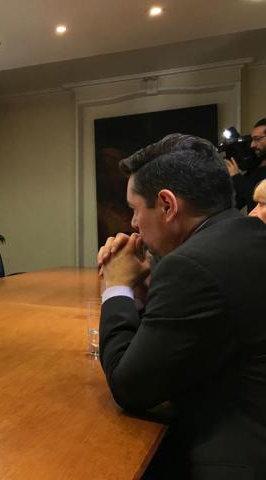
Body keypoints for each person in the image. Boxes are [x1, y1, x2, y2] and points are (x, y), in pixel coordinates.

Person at [97, 134, 266, 478]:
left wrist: (116, 287)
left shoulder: (191, 266)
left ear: (167, 205)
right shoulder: (244, 237)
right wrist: (142, 295)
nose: (132, 224)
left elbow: (130, 388)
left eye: (134, 209)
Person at [226, 118, 266, 211]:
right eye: (252, 140)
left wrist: (236, 177)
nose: (252, 145)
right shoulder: (254, 168)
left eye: (257, 139)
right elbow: (237, 203)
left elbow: (258, 203)